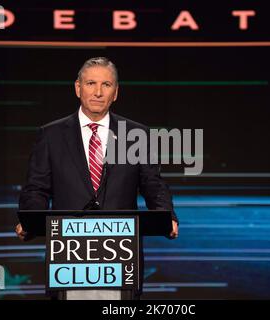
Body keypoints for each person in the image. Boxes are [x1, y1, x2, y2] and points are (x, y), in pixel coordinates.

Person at [15, 57, 179, 300]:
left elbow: (153, 184)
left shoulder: (136, 134)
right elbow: (37, 188)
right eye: (91, 83)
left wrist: (167, 216)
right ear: (78, 88)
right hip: (68, 253)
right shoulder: (51, 135)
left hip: (120, 254)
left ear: (115, 93)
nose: (98, 92)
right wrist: (31, 220)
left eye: (106, 85)